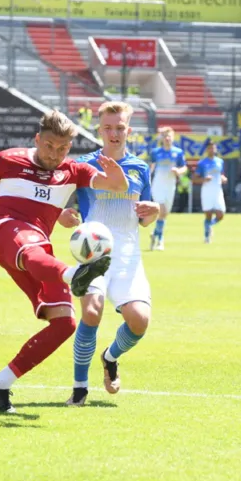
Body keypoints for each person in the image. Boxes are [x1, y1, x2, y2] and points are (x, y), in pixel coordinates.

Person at [0, 110, 128, 414]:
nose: (54, 154)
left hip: (40, 252)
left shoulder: (74, 170)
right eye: (49, 146)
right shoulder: (6, 161)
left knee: (65, 323)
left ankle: (0, 383)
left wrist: (119, 179)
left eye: (62, 148)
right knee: (33, 250)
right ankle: (75, 275)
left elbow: (116, 187)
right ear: (37, 139)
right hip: (6, 233)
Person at [59, 102, 159, 406]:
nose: (114, 133)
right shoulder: (84, 165)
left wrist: (154, 211)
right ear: (99, 130)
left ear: (129, 130)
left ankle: (110, 357)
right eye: (108, 127)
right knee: (91, 312)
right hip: (93, 253)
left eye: (120, 128)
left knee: (139, 321)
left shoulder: (140, 168)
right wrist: (62, 214)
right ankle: (79, 387)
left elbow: (145, 218)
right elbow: (59, 202)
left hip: (128, 255)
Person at [147, 126, 187, 251]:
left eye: (169, 136)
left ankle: (155, 234)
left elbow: (184, 167)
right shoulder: (156, 152)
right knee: (162, 210)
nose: (167, 139)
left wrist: (178, 171)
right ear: (162, 139)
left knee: (164, 215)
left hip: (171, 185)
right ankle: (160, 241)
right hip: (158, 185)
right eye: (165, 136)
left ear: (173, 138)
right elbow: (151, 168)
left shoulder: (178, 152)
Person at [193, 139, 227, 243]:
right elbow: (195, 178)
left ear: (216, 149)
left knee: (220, 214)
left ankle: (210, 225)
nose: (212, 150)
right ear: (207, 150)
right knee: (208, 214)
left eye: (213, 148)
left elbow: (221, 174)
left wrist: (223, 178)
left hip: (217, 190)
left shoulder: (220, 161)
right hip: (207, 190)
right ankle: (207, 237)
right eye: (210, 148)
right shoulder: (202, 163)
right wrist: (204, 179)